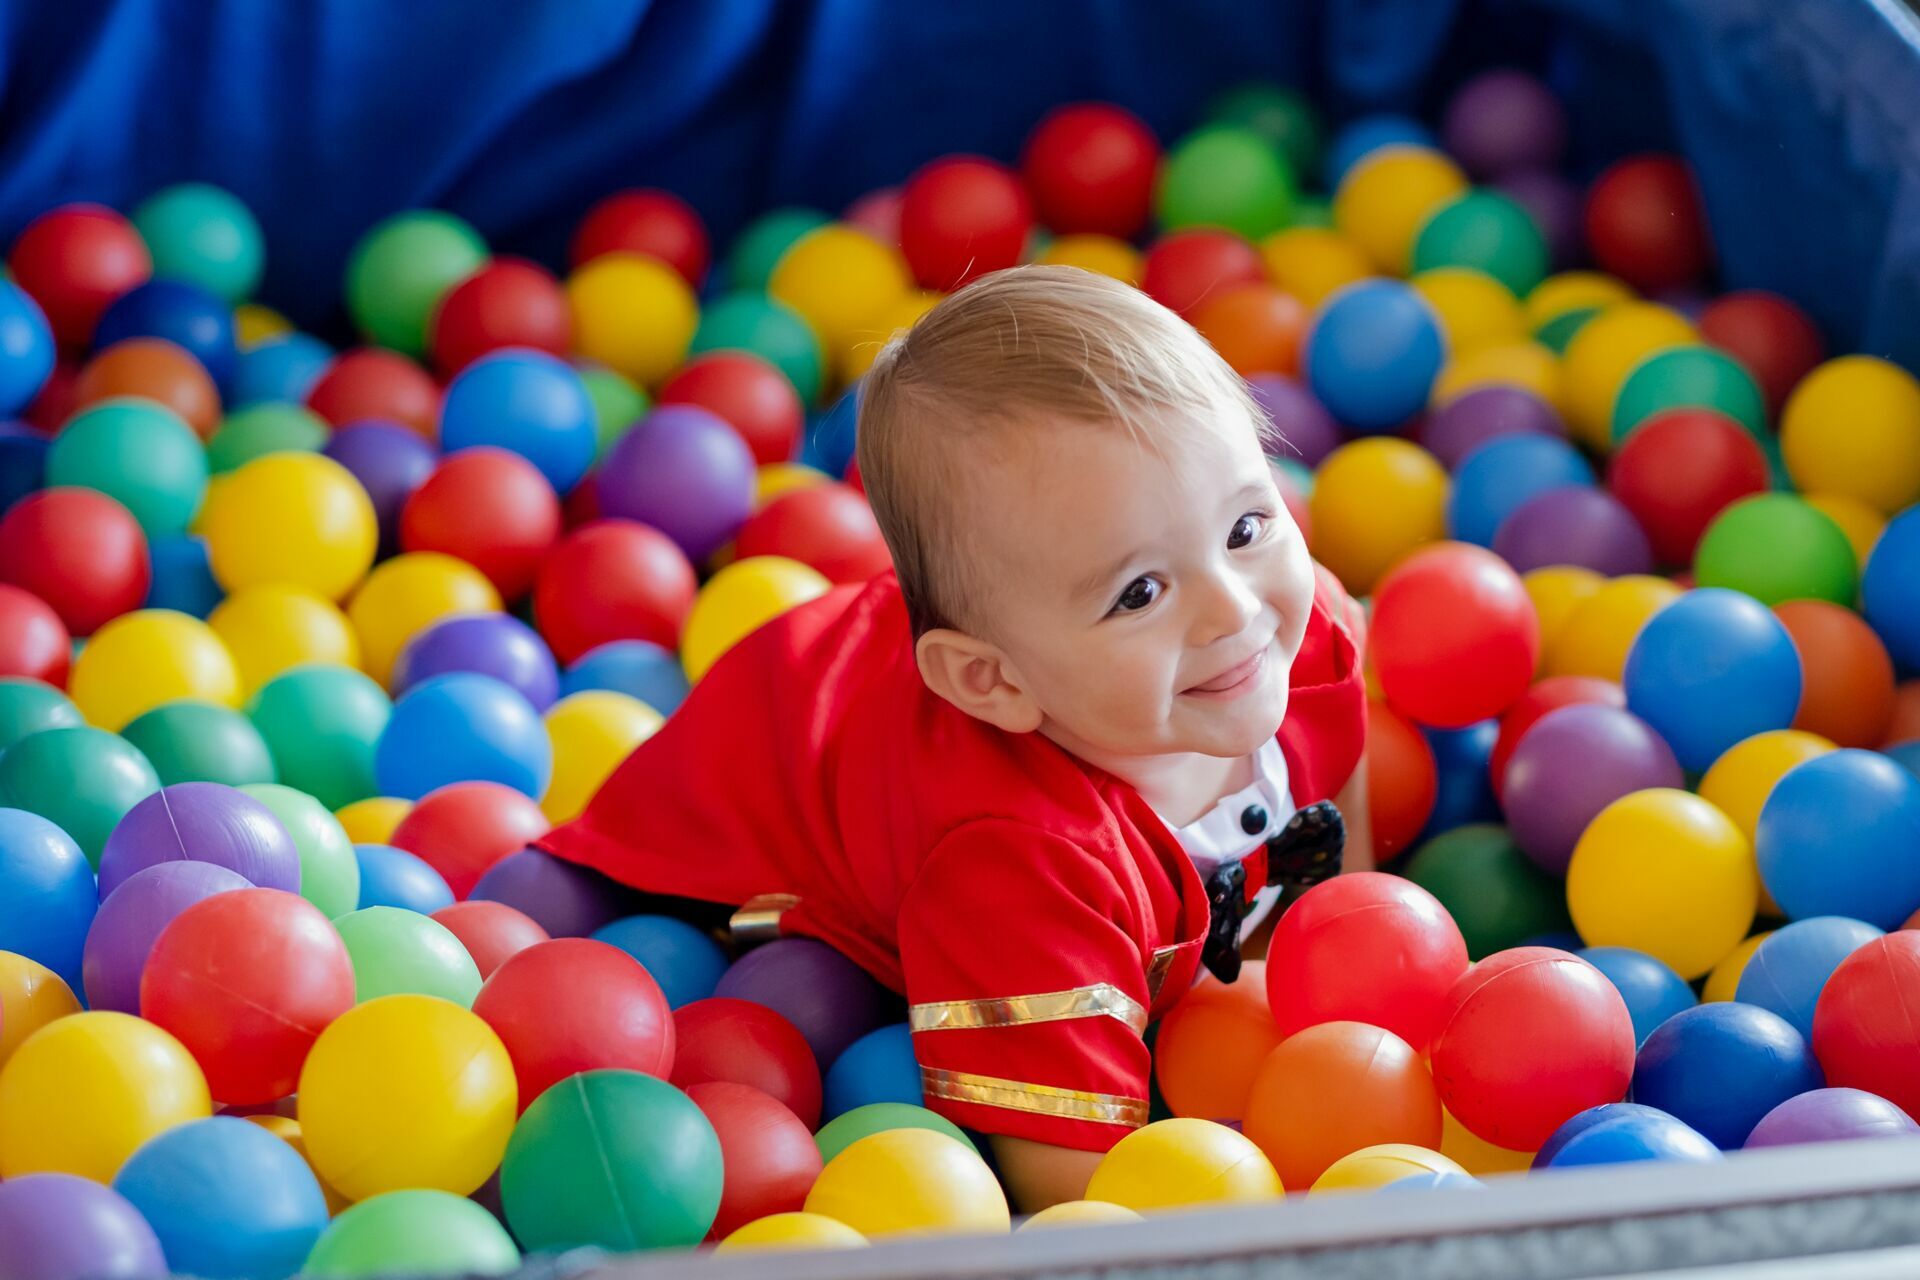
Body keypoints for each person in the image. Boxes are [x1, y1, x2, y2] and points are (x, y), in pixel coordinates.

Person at [536, 265, 1370, 1209]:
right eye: (1140, 592)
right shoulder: (1020, 869)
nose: (1233, 609)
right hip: (740, 813)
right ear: (995, 680)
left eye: (1247, 525)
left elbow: (1340, 802)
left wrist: (1333, 950)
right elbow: (1079, 1199)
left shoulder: (1292, 639)